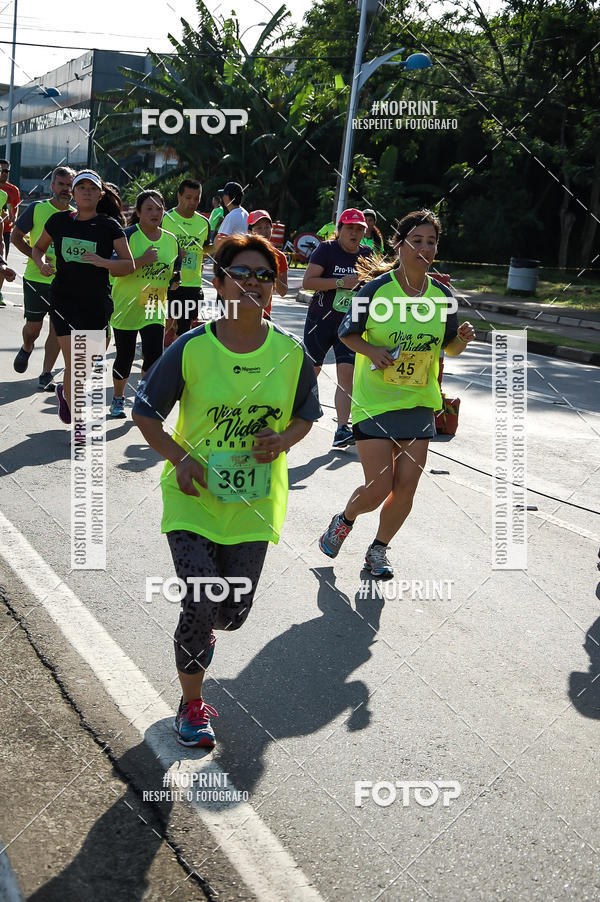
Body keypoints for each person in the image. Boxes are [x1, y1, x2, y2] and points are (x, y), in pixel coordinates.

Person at [132, 233, 321, 748]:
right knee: (200, 597)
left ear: (275, 287)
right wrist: (180, 457)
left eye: (264, 275)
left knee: (231, 613)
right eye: (241, 273)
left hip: (252, 506)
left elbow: (308, 414)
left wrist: (283, 439)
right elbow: (145, 413)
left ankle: (210, 628)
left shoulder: (290, 355)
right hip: (192, 499)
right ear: (218, 284)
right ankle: (191, 706)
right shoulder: (192, 348)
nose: (254, 283)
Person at [318, 209, 476, 578]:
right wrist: (373, 351)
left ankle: (378, 550)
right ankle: (345, 519)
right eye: (416, 241)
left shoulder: (442, 295)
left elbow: (447, 348)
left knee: (406, 488)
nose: (424, 248)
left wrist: (462, 341)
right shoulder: (374, 290)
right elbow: (346, 332)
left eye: (431, 242)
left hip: (419, 401)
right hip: (375, 401)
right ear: (400, 244)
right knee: (378, 489)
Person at [31, 169, 134, 425]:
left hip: (96, 302)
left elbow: (128, 265)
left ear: (100, 195)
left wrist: (102, 262)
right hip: (64, 298)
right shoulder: (59, 221)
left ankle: (64, 393)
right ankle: (78, 421)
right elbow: (38, 248)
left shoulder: (110, 226)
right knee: (76, 362)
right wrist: (41, 263)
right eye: (81, 188)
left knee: (88, 361)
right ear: (74, 193)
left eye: (92, 188)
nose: (86, 192)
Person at [302, 208, 373, 448]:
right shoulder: (326, 249)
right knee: (312, 372)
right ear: (339, 229)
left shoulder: (367, 254)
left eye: (359, 229)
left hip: (349, 325)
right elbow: (308, 282)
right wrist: (340, 282)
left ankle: (342, 428)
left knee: (347, 374)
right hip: (320, 321)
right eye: (350, 228)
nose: (355, 233)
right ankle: (291, 418)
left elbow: (374, 289)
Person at [108, 190, 180, 418]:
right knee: (125, 356)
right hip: (126, 304)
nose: (155, 213)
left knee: (153, 355)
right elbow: (113, 267)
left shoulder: (171, 239)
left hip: (154, 304)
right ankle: (118, 398)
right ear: (138, 212)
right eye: (149, 208)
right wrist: (141, 261)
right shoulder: (127, 235)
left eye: (159, 209)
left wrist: (174, 280)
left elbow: (172, 268)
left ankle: (142, 398)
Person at [11, 166, 75, 389]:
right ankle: (27, 346)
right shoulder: (37, 209)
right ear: (52, 186)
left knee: (58, 330)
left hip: (64, 283)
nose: (66, 189)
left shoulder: (76, 216)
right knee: (34, 329)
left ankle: (46, 373)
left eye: (70, 185)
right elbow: (16, 236)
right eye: (62, 184)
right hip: (36, 279)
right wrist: (36, 258)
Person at [163, 178, 208, 339]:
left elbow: (207, 248)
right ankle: (153, 354)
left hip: (192, 283)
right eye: (188, 197)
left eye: (197, 198)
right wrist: (174, 252)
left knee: (184, 329)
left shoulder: (204, 223)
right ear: (179, 196)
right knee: (164, 322)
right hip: (168, 281)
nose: (193, 202)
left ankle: (177, 361)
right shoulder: (166, 218)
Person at [247, 209, 288, 317]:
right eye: (259, 228)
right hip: (240, 313)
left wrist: (273, 274)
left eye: (267, 227)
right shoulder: (240, 254)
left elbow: (283, 292)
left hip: (263, 316)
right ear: (250, 231)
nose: (264, 231)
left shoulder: (279, 257)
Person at [213, 181, 248, 251]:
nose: (222, 198)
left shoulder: (231, 216)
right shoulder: (246, 214)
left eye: (223, 195)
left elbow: (218, 243)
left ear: (228, 197)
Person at [0, 159, 21, 259]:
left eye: (7, 171)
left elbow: (15, 206)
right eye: (2, 171)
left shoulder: (13, 190)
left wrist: (14, 218)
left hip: (6, 230)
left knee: (3, 261)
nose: (4, 173)